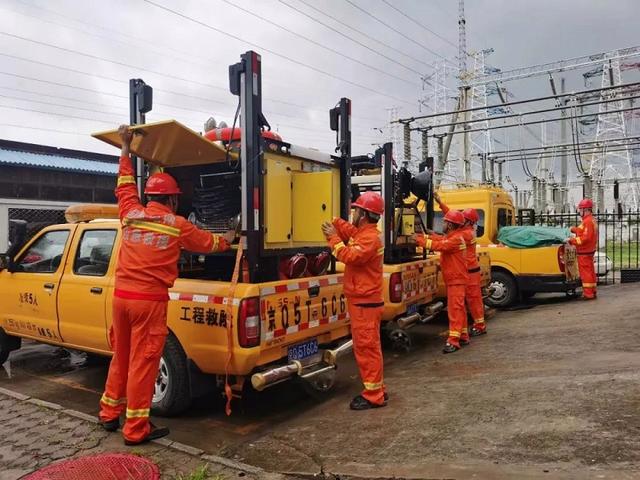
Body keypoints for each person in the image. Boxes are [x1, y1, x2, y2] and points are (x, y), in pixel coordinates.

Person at [99, 125, 232, 445]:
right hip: (149, 303)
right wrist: (228, 242)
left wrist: (126, 148)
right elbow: (207, 243)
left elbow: (124, 185)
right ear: (173, 199)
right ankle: (135, 429)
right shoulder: (177, 225)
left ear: (150, 196)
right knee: (145, 363)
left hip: (121, 299)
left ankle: (108, 413)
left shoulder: (130, 213)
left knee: (122, 356)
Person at [321, 191, 387, 410]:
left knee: (366, 349)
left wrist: (333, 237)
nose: (354, 213)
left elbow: (350, 256)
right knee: (370, 348)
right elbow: (351, 232)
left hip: (364, 303)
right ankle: (377, 388)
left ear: (365, 214)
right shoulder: (366, 233)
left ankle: (374, 395)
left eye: (356, 210)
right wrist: (335, 222)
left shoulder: (369, 238)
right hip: (364, 301)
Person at [415, 209, 469, 353]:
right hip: (456, 279)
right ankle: (463, 335)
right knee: (459, 309)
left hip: (456, 280)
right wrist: (425, 235)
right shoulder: (455, 236)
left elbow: (439, 245)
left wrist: (417, 239)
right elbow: (440, 240)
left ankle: (453, 341)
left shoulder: (455, 239)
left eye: (445, 222)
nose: (443, 224)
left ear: (450, 225)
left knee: (455, 310)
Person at [433, 194, 486, 337]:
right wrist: (440, 203)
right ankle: (465, 331)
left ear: (467, 221)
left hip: (470, 271)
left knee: (472, 300)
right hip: (468, 270)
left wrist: (431, 238)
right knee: (464, 302)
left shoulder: (466, 234)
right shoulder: (466, 231)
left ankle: (480, 325)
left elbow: (452, 227)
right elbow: (453, 218)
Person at [567, 198, 598, 300]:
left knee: (586, 273)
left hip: (585, 251)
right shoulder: (588, 220)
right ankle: (592, 291)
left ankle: (588, 293)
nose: (579, 212)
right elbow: (581, 231)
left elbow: (585, 238)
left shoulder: (588, 221)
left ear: (586, 210)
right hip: (588, 250)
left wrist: (572, 240)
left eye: (580, 209)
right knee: (590, 271)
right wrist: (572, 229)